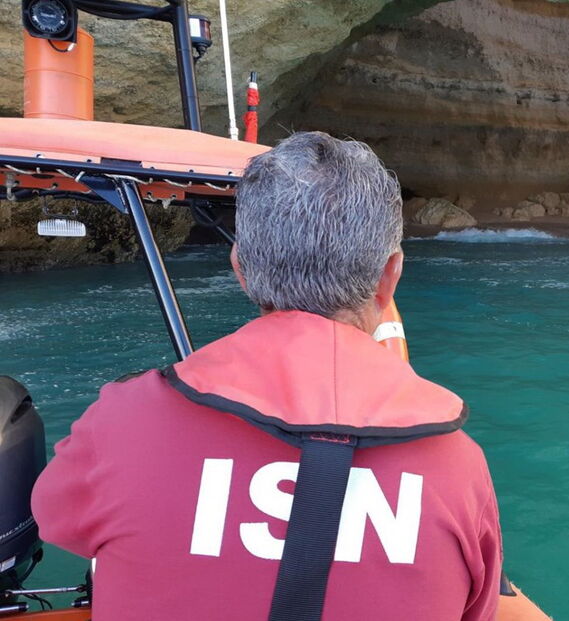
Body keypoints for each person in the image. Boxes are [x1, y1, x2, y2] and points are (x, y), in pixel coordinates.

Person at [32, 132, 508, 620]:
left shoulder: (122, 421)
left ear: (240, 268)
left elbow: (56, 521)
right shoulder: (455, 464)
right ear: (391, 276)